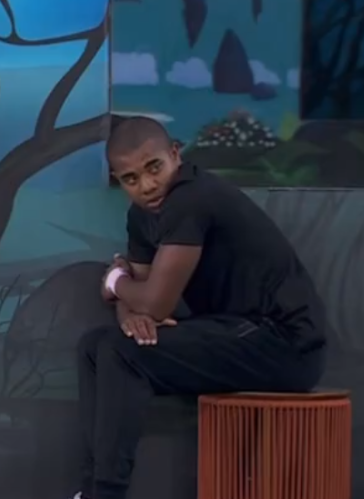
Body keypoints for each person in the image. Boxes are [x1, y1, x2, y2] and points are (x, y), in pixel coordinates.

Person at [73, 116, 327, 499]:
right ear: (118, 180)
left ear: (175, 155)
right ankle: (92, 490)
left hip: (286, 343)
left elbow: (156, 302)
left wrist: (114, 283)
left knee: (119, 353)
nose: (147, 185)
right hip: (233, 329)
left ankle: (107, 494)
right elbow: (142, 301)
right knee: (94, 347)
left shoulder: (191, 198)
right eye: (131, 179)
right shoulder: (141, 217)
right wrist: (132, 315)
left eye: (154, 167)